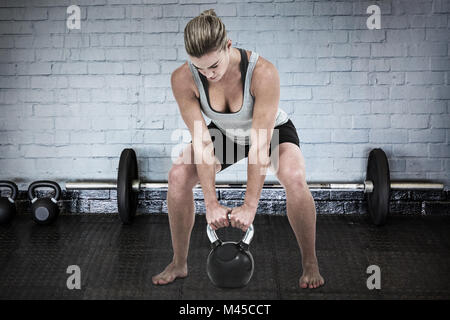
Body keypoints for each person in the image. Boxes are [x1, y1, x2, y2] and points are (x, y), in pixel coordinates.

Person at [152, 9, 324, 289]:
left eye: (214, 66)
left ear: (228, 46)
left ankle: (310, 263)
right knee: (178, 175)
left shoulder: (262, 72)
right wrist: (211, 204)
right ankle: (179, 263)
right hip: (227, 134)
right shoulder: (182, 79)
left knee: (294, 176)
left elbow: (259, 144)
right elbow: (202, 140)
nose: (208, 74)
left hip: (271, 131)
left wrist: (249, 205)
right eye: (200, 68)